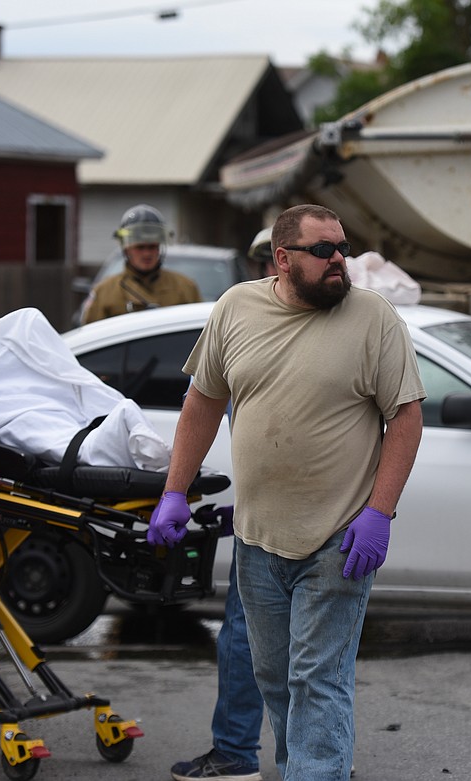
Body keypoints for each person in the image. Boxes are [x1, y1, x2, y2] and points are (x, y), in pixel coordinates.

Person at [150, 205, 425, 780]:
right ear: (283, 258)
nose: (338, 262)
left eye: (342, 249)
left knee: (317, 679)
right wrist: (175, 491)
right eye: (323, 251)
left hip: (338, 538)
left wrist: (380, 511)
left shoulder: (372, 318)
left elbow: (405, 416)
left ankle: (316, 771)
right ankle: (311, 767)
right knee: (274, 676)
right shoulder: (236, 309)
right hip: (258, 539)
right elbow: (202, 402)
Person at [170, 228, 275, 781]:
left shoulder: (248, 324)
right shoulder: (241, 321)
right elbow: (203, 406)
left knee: (250, 635)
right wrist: (173, 492)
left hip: (286, 522)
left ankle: (248, 752)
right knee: (306, 649)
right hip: (270, 515)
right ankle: (314, 752)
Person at [81, 203, 202, 324]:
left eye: (152, 247)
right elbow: (91, 335)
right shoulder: (104, 292)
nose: (147, 254)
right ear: (126, 249)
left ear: (160, 247)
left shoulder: (186, 288)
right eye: (140, 247)